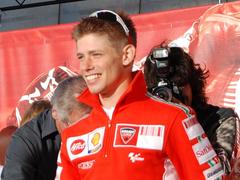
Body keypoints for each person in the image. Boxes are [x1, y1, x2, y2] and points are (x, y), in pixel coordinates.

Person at [58, 9, 224, 179]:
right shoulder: (73, 135)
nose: (86, 66)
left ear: (127, 55)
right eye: (81, 57)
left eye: (96, 55)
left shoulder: (175, 118)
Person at [144, 44, 240, 176]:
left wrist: (185, 119)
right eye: (163, 91)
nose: (171, 94)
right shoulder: (140, 121)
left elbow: (219, 171)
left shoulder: (220, 119)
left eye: (179, 85)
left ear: (193, 85)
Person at [1, 76, 91, 180]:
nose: (79, 132)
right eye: (70, 124)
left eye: (86, 123)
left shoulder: (103, 123)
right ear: (54, 113)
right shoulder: (26, 139)